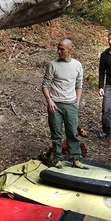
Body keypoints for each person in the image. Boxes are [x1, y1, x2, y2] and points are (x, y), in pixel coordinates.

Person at [42, 39, 88, 169]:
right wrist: (49, 100)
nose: (59, 51)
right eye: (58, 48)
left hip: (71, 104)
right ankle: (58, 158)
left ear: (70, 50)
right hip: (55, 104)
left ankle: (75, 158)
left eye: (62, 49)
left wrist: (77, 102)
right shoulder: (52, 64)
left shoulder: (77, 65)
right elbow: (45, 85)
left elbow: (79, 84)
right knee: (56, 133)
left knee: (72, 133)